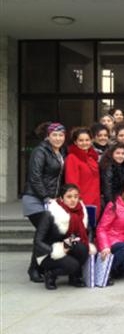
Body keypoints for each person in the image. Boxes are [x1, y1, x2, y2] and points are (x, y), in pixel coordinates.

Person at [22, 122, 67, 283]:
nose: (58, 138)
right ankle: (34, 269)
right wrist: (46, 197)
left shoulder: (61, 152)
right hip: (35, 199)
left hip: (51, 200)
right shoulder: (40, 151)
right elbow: (35, 177)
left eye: (61, 135)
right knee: (46, 232)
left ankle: (43, 266)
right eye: (54, 135)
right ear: (48, 136)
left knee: (50, 232)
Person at [34, 184, 95, 290]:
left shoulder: (80, 212)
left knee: (83, 248)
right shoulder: (50, 214)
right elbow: (37, 241)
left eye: (76, 196)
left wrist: (69, 246)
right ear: (61, 198)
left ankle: (74, 277)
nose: (73, 200)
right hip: (49, 253)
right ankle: (50, 275)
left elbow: (88, 231)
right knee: (73, 265)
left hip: (67, 246)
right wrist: (55, 250)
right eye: (69, 197)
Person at [96, 181, 124, 279]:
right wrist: (105, 247)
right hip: (112, 242)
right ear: (122, 193)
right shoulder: (114, 205)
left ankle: (114, 269)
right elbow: (101, 228)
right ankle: (106, 269)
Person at [65, 127, 101, 212]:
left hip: (95, 200)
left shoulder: (92, 157)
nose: (84, 143)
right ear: (75, 142)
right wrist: (77, 201)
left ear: (91, 141)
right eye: (81, 140)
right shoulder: (72, 158)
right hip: (82, 202)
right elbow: (71, 182)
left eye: (87, 140)